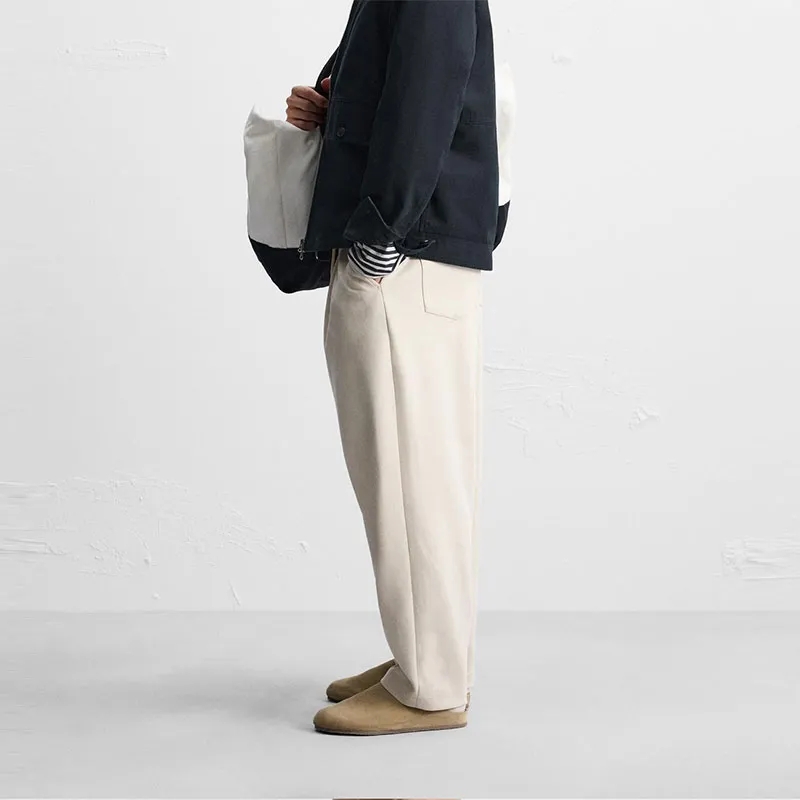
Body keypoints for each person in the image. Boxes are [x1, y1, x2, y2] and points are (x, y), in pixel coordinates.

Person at [285, 0, 510, 736]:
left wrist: (383, 229)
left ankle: (430, 685)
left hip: (400, 253)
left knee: (410, 478)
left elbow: (428, 91)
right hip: (412, 249)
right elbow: (411, 80)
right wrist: (333, 102)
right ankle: (425, 657)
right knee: (419, 475)